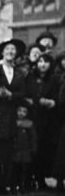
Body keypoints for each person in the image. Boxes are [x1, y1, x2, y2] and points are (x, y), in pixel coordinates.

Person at [0, 38, 27, 195]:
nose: (10, 52)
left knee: (8, 150)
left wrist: (11, 95)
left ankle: (4, 184)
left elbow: (23, 93)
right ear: (2, 52)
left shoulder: (19, 72)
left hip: (11, 115)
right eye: (7, 49)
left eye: (13, 49)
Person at [26, 53, 59, 189]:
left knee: (44, 149)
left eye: (46, 62)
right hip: (32, 116)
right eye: (40, 61)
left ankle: (41, 179)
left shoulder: (54, 79)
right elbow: (26, 94)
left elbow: (57, 97)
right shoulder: (30, 77)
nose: (42, 64)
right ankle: (29, 179)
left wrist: (52, 102)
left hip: (48, 120)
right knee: (31, 148)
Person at [12, 100, 38, 193]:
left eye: (24, 111)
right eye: (19, 111)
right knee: (15, 169)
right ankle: (14, 186)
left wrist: (33, 148)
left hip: (26, 151)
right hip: (16, 150)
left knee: (25, 169)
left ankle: (23, 186)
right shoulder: (13, 123)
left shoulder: (29, 123)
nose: (21, 113)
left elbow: (33, 137)